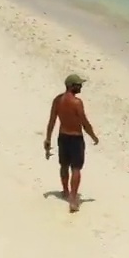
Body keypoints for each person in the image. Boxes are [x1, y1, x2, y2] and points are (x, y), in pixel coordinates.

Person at [44, 73, 99, 213]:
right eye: (78, 85)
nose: (81, 86)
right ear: (71, 86)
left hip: (62, 137)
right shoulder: (77, 102)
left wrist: (48, 138)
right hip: (75, 138)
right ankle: (73, 199)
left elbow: (51, 121)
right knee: (76, 168)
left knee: (63, 165)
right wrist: (93, 136)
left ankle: (65, 191)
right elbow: (84, 122)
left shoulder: (57, 100)